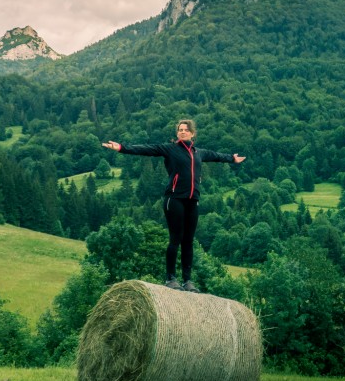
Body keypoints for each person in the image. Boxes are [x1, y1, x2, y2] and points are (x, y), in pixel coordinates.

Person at [102, 119, 245, 292]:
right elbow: (147, 149)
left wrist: (232, 159)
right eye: (180, 130)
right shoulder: (170, 149)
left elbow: (216, 156)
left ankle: (187, 281)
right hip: (174, 199)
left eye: (185, 130)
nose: (182, 132)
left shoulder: (199, 153)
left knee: (188, 241)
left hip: (193, 200)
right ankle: (170, 278)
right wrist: (121, 147)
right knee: (175, 239)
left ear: (192, 133)